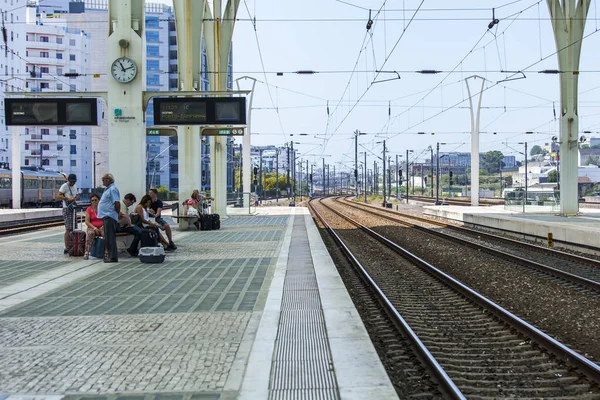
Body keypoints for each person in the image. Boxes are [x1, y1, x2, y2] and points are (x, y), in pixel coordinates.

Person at [97, 173, 120, 263]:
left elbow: (117, 203)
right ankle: (111, 256)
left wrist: (117, 213)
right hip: (107, 216)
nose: (102, 180)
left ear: (109, 180)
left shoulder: (113, 189)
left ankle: (113, 257)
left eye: (104, 179)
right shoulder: (108, 189)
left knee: (110, 237)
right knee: (108, 237)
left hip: (109, 215)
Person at [57, 173, 80, 254]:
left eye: (74, 182)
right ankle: (66, 247)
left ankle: (72, 244)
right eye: (71, 182)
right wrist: (67, 198)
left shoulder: (75, 186)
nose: (72, 183)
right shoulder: (64, 186)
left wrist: (76, 197)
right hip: (67, 208)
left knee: (73, 227)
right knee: (68, 228)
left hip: (73, 208)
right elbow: (58, 195)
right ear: (68, 180)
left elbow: (77, 195)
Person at [117, 193, 143, 257]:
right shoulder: (122, 205)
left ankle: (132, 248)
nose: (131, 204)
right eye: (131, 202)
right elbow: (124, 217)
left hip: (121, 225)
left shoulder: (122, 204)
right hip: (120, 226)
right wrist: (130, 224)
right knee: (139, 232)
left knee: (138, 230)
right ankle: (132, 249)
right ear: (128, 200)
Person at [83, 193, 104, 260]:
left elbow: (106, 219)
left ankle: (106, 252)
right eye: (92, 200)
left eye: (95, 200)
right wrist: (94, 228)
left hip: (102, 227)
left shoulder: (102, 209)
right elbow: (87, 221)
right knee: (90, 233)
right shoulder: (89, 209)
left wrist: (102, 227)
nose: (94, 202)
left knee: (106, 234)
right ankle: (87, 252)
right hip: (92, 227)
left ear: (99, 200)